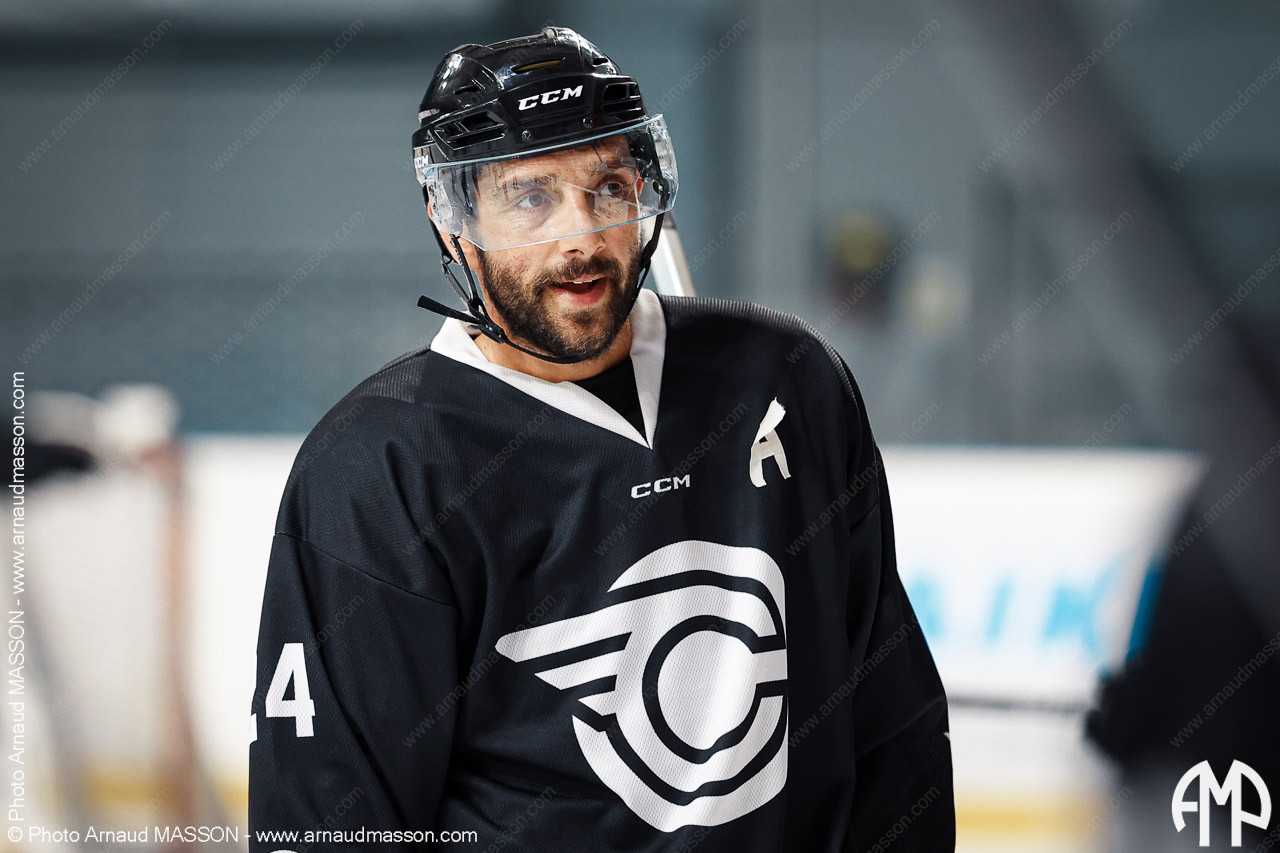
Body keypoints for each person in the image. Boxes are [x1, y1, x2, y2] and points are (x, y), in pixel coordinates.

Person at [248, 26, 954, 851]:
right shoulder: (378, 469)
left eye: (608, 186)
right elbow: (330, 820)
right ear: (451, 222)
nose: (580, 235)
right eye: (530, 197)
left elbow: (891, 727)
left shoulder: (787, 378)